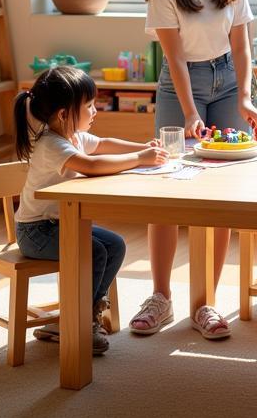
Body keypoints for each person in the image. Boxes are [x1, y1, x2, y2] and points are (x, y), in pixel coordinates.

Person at [133, 0, 257, 340]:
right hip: (180, 83)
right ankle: (161, 296)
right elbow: (173, 60)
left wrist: (246, 97)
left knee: (220, 192)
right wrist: (189, 113)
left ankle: (204, 301)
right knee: (167, 188)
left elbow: (243, 46)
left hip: (228, 79)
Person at [13, 65, 168, 355]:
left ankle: (82, 314)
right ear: (63, 114)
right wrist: (139, 158)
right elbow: (93, 166)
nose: (95, 111)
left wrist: (142, 148)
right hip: (35, 231)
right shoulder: (51, 144)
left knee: (115, 245)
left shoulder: (74, 136)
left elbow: (105, 145)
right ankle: (79, 321)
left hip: (61, 224)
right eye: (89, 105)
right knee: (94, 251)